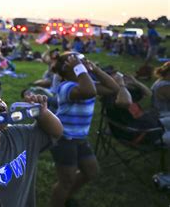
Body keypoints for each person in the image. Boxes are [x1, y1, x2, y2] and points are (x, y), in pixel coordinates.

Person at [49, 52, 119, 207]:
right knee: (66, 180)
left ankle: (65, 197)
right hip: (64, 139)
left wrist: (96, 70)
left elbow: (114, 88)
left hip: (80, 139)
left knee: (91, 171)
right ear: (70, 68)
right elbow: (89, 92)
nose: (83, 63)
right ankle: (59, 200)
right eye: (78, 61)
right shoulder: (66, 87)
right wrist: (80, 69)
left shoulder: (86, 84)